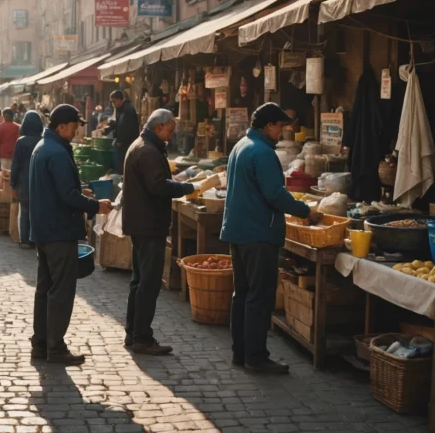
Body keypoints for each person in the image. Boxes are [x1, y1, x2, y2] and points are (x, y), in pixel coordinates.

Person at [222, 102, 323, 374]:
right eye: (279, 127)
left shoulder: (241, 146)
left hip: (238, 231)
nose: (281, 132)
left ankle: (241, 352)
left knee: (242, 294)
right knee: (259, 296)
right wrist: (306, 211)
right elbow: (275, 194)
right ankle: (256, 357)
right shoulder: (263, 152)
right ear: (268, 126)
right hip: (258, 234)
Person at [121, 109, 218, 355]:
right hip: (148, 225)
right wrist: (190, 187)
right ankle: (141, 337)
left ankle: (134, 333)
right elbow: (158, 186)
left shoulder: (143, 146)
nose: (171, 135)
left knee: (139, 281)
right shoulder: (148, 151)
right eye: (169, 130)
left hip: (141, 224)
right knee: (148, 282)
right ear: (158, 127)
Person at [29, 105, 113, 365]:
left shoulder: (44, 147)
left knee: (45, 289)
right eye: (74, 126)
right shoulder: (56, 151)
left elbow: (58, 188)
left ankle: (41, 343)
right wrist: (95, 205)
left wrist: (80, 191)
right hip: (58, 229)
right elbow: (66, 195)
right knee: (61, 291)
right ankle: (55, 347)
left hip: (44, 228)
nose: (77, 131)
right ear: (61, 126)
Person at [10, 111, 42, 249]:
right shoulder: (42, 140)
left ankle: (24, 240)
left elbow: (15, 165)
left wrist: (13, 184)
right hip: (41, 182)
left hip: (24, 181)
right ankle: (36, 239)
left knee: (24, 211)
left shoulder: (21, 141)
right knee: (38, 211)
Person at [106, 91, 139, 174]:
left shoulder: (128, 109)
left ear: (119, 100)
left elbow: (125, 126)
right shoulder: (120, 109)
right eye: (112, 102)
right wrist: (106, 129)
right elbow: (117, 124)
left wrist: (120, 140)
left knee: (126, 164)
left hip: (128, 143)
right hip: (122, 143)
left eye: (114, 102)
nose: (113, 104)